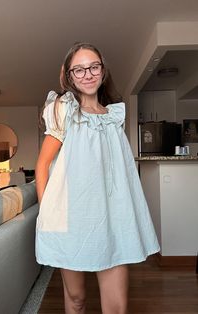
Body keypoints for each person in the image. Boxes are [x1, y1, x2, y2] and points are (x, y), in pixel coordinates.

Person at [35, 42, 160, 314]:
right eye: (78, 70)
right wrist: (47, 213)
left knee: (116, 307)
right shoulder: (62, 109)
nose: (87, 74)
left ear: (103, 71)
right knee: (76, 299)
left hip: (114, 219)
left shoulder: (114, 117)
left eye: (93, 67)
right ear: (68, 76)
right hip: (72, 220)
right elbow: (43, 165)